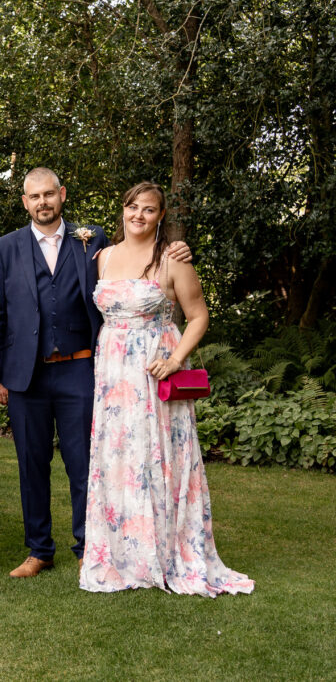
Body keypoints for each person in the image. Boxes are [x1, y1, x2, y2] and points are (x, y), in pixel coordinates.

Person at [0, 168, 190, 578]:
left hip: (82, 367)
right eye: (34, 197)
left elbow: (141, 252)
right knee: (31, 463)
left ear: (61, 195)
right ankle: (39, 550)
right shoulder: (5, 247)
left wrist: (177, 247)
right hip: (26, 374)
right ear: (24, 202)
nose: (42, 202)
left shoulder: (93, 239)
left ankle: (87, 544)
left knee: (87, 461)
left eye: (49, 194)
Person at [80, 182, 254, 596]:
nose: (139, 215)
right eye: (132, 207)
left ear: (161, 216)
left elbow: (198, 316)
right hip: (113, 374)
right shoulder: (102, 257)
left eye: (149, 210)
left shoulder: (172, 259)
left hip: (156, 369)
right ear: (122, 210)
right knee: (119, 459)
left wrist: (175, 360)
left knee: (158, 457)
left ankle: (167, 552)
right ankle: (121, 555)